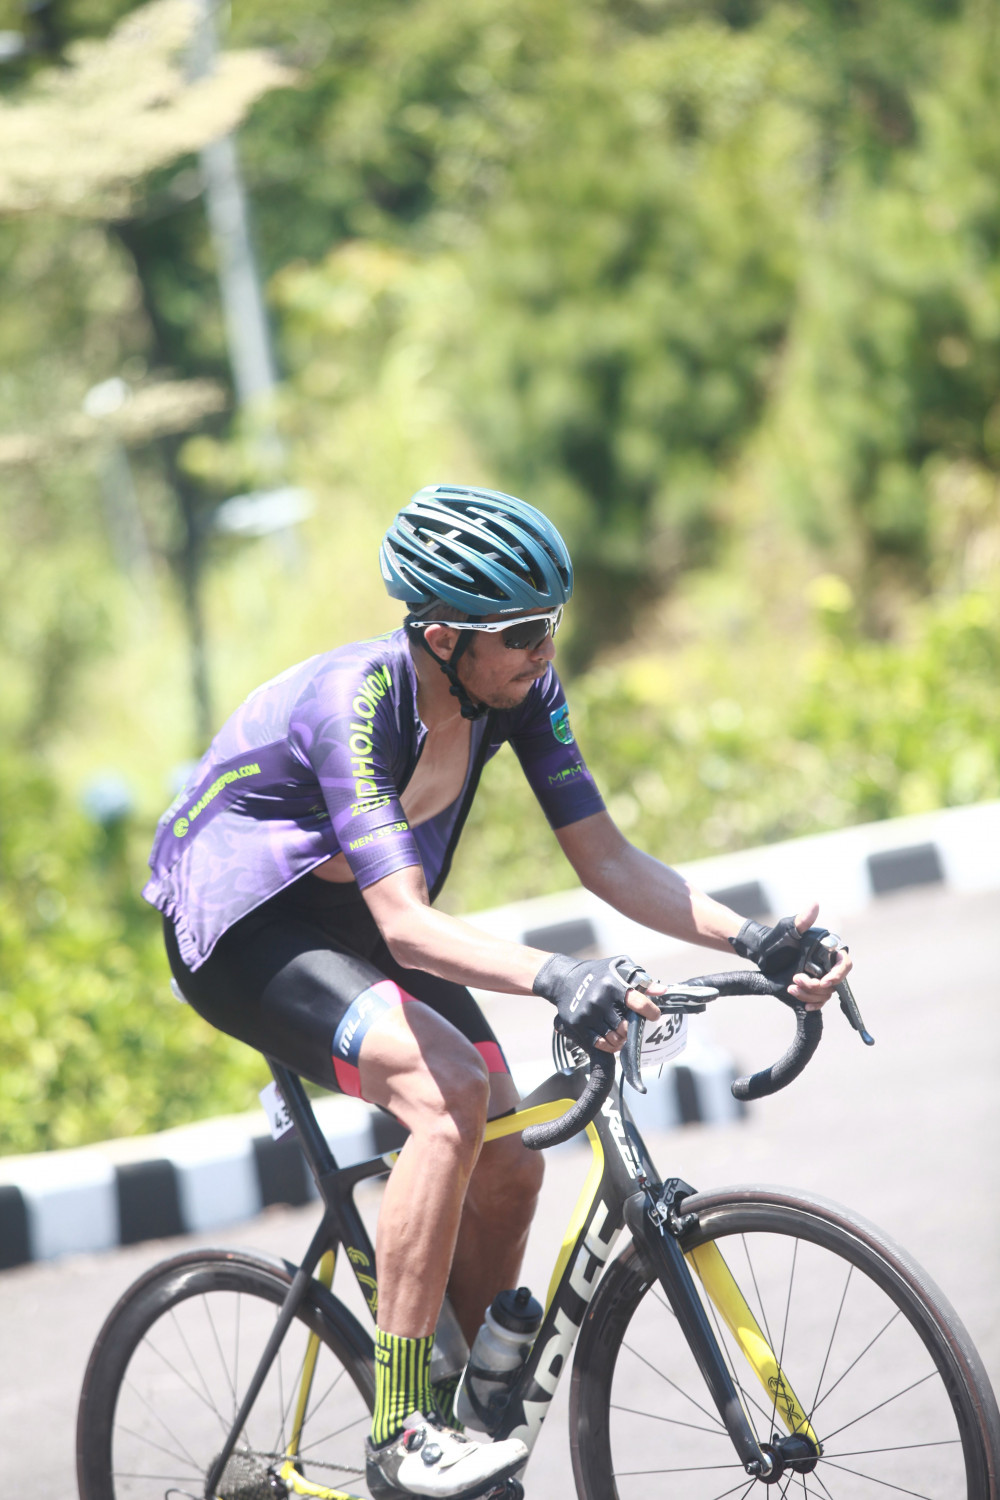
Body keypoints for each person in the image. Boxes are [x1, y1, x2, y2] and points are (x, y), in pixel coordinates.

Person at [144, 483, 851, 1499]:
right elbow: (406, 926)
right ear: (442, 638)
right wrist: (559, 976)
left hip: (354, 921)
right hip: (246, 933)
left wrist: (758, 938)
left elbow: (607, 857)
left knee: (510, 1165)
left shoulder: (518, 694)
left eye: (551, 623)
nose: (543, 648)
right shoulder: (358, 704)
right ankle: (402, 1430)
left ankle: (469, 1413)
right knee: (446, 1098)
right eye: (520, 632)